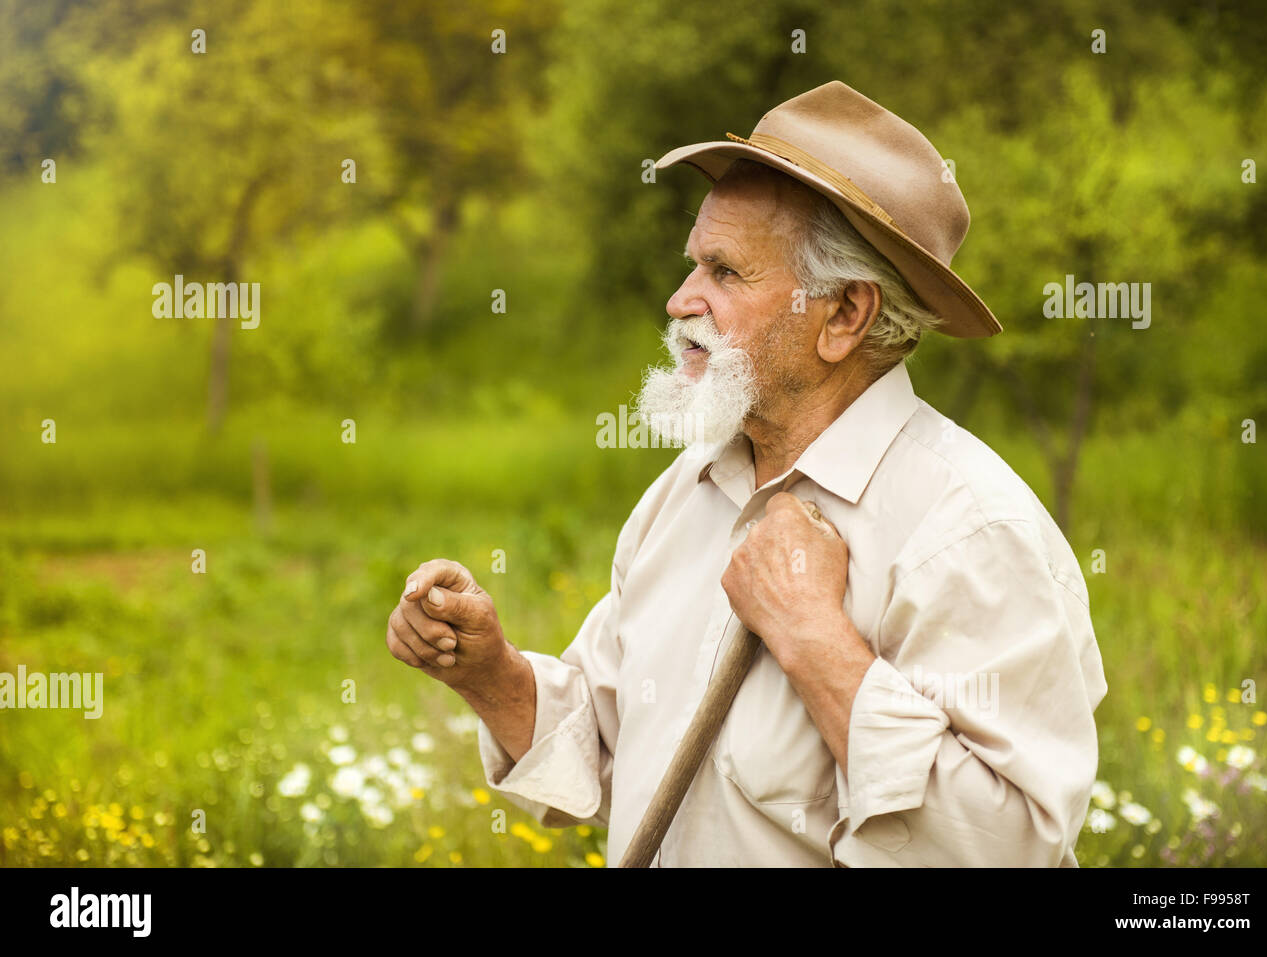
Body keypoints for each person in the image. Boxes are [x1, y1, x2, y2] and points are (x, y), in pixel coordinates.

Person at [386, 81, 1106, 866]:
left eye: (725, 273)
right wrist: (491, 671)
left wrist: (815, 638)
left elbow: (1009, 850)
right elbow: (610, 749)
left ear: (844, 316)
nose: (679, 300)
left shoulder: (968, 529)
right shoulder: (689, 490)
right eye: (693, 264)